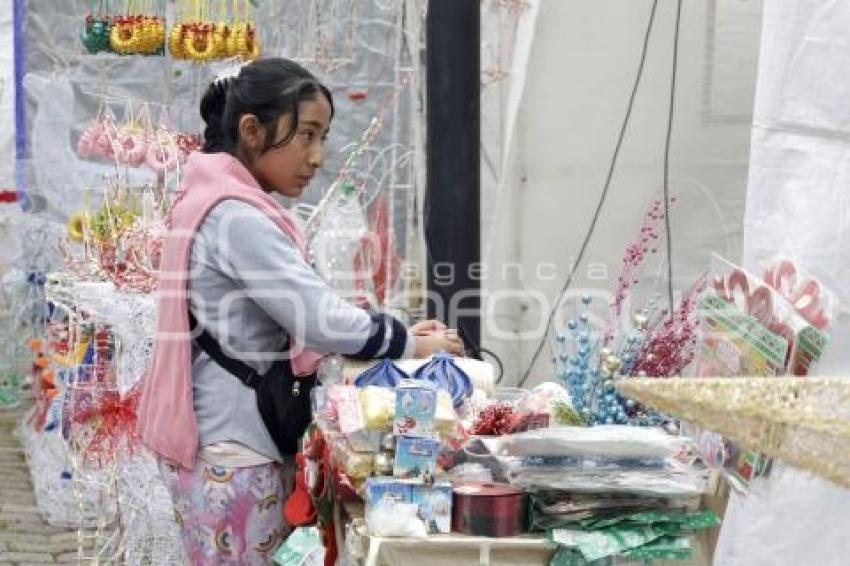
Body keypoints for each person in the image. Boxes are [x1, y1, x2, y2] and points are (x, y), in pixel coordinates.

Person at [136, 57, 463, 564]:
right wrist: (412, 344)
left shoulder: (212, 197)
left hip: (219, 438)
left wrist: (389, 331)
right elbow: (318, 321)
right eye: (307, 135)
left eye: (323, 137)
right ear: (251, 129)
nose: (317, 156)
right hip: (236, 449)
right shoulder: (237, 217)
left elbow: (303, 304)